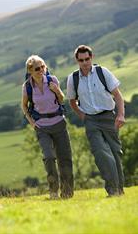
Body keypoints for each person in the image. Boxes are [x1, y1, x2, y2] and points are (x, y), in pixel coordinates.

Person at [66, 45, 125, 197]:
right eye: (81, 60)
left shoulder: (102, 72)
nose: (84, 63)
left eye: (87, 59)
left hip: (108, 117)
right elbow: (72, 101)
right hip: (90, 120)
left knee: (115, 153)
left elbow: (117, 95)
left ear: (91, 58)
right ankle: (112, 190)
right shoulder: (73, 79)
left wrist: (120, 115)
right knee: (101, 153)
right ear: (77, 61)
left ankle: (119, 190)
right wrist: (83, 116)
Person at [22, 55, 74, 199]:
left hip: (59, 123)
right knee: (49, 157)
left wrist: (57, 90)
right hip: (42, 127)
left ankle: (67, 193)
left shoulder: (52, 80)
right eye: (37, 69)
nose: (41, 70)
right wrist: (32, 123)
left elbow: (61, 99)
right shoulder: (27, 87)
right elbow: (24, 106)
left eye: (43, 67)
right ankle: (53, 191)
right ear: (30, 70)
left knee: (65, 159)